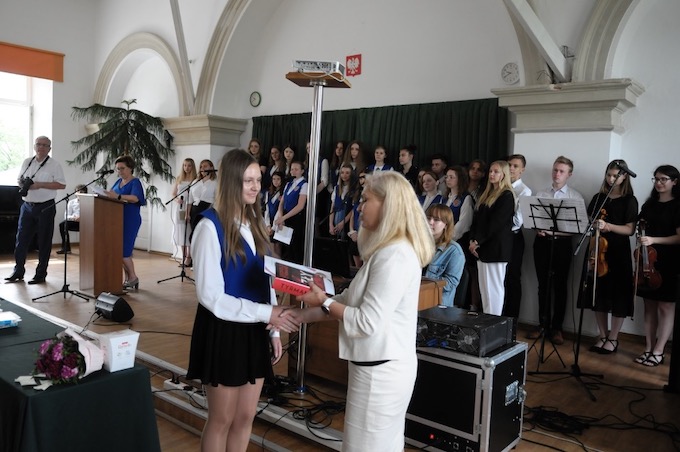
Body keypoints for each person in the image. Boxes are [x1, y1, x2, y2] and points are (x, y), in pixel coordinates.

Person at [298, 171, 434, 451]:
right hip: (375, 369)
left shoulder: (395, 255)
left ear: (388, 205)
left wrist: (324, 301)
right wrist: (298, 316)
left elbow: (365, 321)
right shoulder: (386, 251)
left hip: (381, 376)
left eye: (365, 200)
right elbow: (347, 301)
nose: (359, 207)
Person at [186, 149, 301, 452]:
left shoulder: (255, 223)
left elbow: (267, 279)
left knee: (246, 416)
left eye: (258, 180)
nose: (255, 186)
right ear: (231, 182)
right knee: (221, 418)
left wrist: (273, 330)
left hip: (256, 326)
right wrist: (268, 314)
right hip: (223, 330)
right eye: (247, 180)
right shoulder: (209, 226)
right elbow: (210, 296)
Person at [527, 156, 584, 345]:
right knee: (543, 285)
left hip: (562, 245)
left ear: (569, 174)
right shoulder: (542, 193)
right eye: (555, 170)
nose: (557, 174)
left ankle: (557, 328)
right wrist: (537, 229)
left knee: (560, 286)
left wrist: (555, 231)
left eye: (561, 171)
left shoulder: (575, 197)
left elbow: (578, 228)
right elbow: (533, 219)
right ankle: (542, 324)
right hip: (542, 243)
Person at [583, 160, 638, 355]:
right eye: (609, 175)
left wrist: (608, 226)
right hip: (597, 248)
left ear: (624, 176)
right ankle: (602, 335)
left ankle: (613, 338)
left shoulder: (629, 200)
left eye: (616, 175)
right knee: (598, 293)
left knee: (618, 295)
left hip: (618, 251)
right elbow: (589, 222)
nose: (611, 179)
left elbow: (630, 230)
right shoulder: (599, 198)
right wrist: (595, 226)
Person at [634, 165, 680, 367]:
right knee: (649, 306)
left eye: (663, 179)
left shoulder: (678, 205)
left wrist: (654, 240)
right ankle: (648, 348)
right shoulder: (649, 205)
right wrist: (642, 238)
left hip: (670, 260)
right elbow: (640, 228)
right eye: (656, 179)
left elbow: (679, 237)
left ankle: (659, 351)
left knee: (666, 307)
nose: (659, 183)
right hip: (648, 260)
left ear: (674, 182)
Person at [6, 136, 66, 284]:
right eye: (39, 144)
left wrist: (40, 184)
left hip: (46, 207)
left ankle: (40, 274)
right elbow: (19, 179)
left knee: (44, 241)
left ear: (49, 149)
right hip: (27, 206)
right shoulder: (27, 162)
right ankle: (18, 271)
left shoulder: (54, 165)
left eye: (45, 145)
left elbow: (61, 185)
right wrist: (23, 184)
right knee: (21, 240)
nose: (41, 147)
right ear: (34, 146)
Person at [468, 160, 515, 316]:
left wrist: (477, 241)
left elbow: (496, 224)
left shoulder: (506, 195)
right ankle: (488, 318)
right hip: (483, 248)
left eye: (496, 172)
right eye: (490, 171)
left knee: (494, 288)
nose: (492, 174)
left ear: (504, 175)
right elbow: (477, 221)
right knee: (485, 289)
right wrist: (472, 240)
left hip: (496, 248)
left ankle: (494, 320)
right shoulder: (486, 194)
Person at [105, 155, 146, 290]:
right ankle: (128, 278)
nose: (119, 171)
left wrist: (117, 196)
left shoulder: (135, 182)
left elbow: (135, 198)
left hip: (130, 219)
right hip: (117, 219)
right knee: (118, 250)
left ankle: (133, 277)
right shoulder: (118, 182)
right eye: (117, 169)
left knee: (124, 251)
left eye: (122, 168)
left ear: (130, 168)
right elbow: (111, 195)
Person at [503, 154, 532, 318]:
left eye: (515, 166)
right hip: (499, 239)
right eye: (509, 165)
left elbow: (517, 221)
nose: (511, 169)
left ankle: (511, 319)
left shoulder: (524, 191)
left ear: (522, 170)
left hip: (513, 238)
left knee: (512, 278)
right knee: (499, 278)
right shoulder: (499, 186)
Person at [424, 204, 465, 307]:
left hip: (437, 305)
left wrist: (423, 281)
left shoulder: (454, 251)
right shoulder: (419, 245)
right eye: (428, 218)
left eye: (436, 220)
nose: (430, 222)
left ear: (446, 225)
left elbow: (450, 284)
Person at [274, 160, 308, 264]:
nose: (293, 171)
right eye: (292, 169)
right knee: (286, 247)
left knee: (295, 247)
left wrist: (284, 218)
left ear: (302, 171)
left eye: (296, 169)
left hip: (296, 219)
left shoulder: (304, 184)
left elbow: (300, 206)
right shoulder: (288, 184)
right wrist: (281, 217)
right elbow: (282, 203)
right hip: (285, 217)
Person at [171, 158, 197, 267]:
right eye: (185, 165)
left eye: (189, 165)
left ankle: (189, 257)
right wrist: (177, 200)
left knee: (188, 230)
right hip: (180, 208)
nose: (186, 168)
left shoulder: (195, 179)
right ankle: (183, 255)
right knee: (181, 231)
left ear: (192, 167)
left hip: (190, 206)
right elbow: (173, 194)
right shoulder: (179, 178)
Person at [443, 166, 473, 243]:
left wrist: (448, 237)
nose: (448, 179)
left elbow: (464, 223)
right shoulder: (445, 198)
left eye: (451, 177)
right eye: (446, 177)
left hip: (456, 240)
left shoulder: (466, 198)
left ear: (460, 179)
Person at [56, 184, 88, 255]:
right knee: (62, 225)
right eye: (77, 191)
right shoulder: (71, 202)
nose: (79, 193)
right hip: (74, 221)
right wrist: (74, 218)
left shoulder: (89, 202)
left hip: (86, 222)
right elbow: (66, 216)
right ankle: (66, 248)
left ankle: (87, 248)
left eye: (81, 192)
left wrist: (82, 218)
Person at [188, 159, 217, 236]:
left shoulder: (215, 182)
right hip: (194, 209)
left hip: (207, 208)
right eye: (201, 167)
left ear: (211, 168)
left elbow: (217, 200)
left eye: (205, 166)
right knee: (194, 233)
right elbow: (190, 199)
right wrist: (187, 214)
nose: (202, 168)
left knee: (203, 233)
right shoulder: (195, 182)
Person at [348, 169, 367, 268]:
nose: (362, 180)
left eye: (364, 177)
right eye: (360, 178)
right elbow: (353, 213)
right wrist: (352, 231)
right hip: (355, 230)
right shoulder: (357, 194)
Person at [329, 164, 355, 238]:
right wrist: (331, 225)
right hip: (336, 221)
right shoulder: (336, 188)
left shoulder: (354, 189)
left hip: (347, 222)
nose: (344, 175)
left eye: (347, 173)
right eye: (342, 173)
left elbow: (353, 209)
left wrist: (343, 223)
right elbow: (332, 208)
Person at [264, 171, 284, 257]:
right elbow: (266, 210)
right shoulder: (268, 193)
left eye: (278, 179)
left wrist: (273, 227)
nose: (276, 181)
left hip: (278, 222)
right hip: (270, 222)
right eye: (274, 179)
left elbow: (279, 210)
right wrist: (268, 225)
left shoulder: (283, 193)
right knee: (270, 246)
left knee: (277, 246)